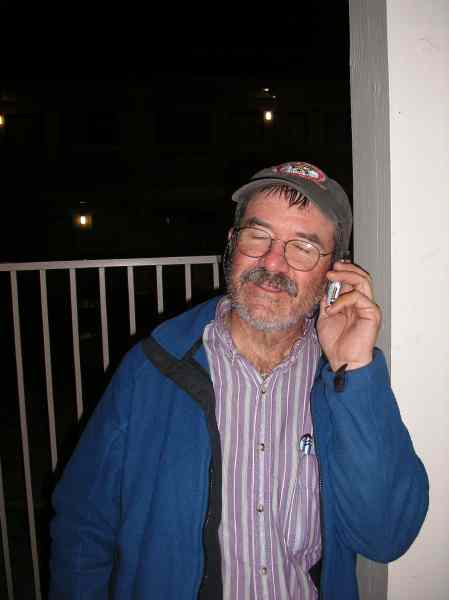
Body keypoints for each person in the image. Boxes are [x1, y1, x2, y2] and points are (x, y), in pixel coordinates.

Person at [49, 161, 429, 600]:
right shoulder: (152, 370)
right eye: (258, 235)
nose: (273, 262)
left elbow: (386, 537)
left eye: (303, 247)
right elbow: (83, 527)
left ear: (334, 273)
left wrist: (354, 370)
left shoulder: (341, 385)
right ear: (232, 243)